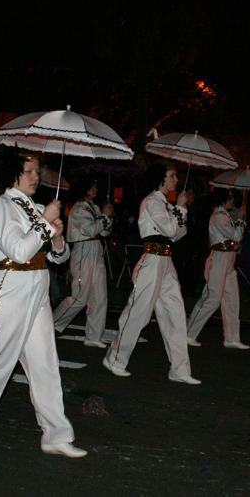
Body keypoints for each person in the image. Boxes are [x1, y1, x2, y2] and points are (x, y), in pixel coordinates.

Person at [0, 147, 86, 458]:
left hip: (36, 289)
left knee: (45, 364)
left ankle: (55, 434)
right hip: (8, 289)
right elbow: (18, 251)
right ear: (13, 174)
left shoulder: (36, 207)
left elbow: (57, 257)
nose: (36, 176)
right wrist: (44, 223)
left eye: (38, 171)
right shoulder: (1, 206)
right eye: (30, 171)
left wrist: (57, 237)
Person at [102, 163, 200, 384]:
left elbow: (177, 235)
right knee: (139, 312)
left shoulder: (164, 203)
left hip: (166, 261)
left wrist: (180, 209)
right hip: (152, 261)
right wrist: (181, 209)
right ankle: (115, 358)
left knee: (175, 313)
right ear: (161, 178)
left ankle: (180, 370)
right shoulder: (153, 201)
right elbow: (169, 230)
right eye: (172, 176)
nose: (176, 180)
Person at [52, 176, 114, 348]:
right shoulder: (78, 210)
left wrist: (107, 218)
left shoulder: (94, 208)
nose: (96, 189)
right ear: (85, 190)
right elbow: (89, 230)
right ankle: (51, 324)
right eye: (93, 186)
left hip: (96, 249)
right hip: (83, 250)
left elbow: (104, 233)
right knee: (80, 295)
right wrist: (104, 218)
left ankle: (94, 335)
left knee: (99, 295)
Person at [186, 187, 249, 349]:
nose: (232, 201)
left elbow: (233, 241)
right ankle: (188, 332)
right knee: (212, 298)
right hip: (219, 259)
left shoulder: (224, 216)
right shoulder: (219, 217)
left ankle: (232, 337)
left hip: (227, 259)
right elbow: (235, 236)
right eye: (229, 198)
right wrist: (241, 220)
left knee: (232, 299)